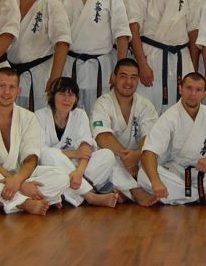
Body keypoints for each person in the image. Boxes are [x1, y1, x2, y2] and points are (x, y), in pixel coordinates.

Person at [0, 67, 70, 215]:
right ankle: (22, 202)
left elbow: (31, 159)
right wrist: (20, 185)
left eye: (12, 87)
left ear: (18, 91)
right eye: (2, 86)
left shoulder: (28, 118)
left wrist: (18, 180)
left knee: (62, 177)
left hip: (17, 178)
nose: (6, 92)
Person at [137, 73, 206, 206]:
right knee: (144, 175)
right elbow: (149, 151)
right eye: (189, 88)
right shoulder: (169, 118)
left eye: (198, 90)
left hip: (205, 174)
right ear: (180, 89)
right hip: (175, 173)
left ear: (204, 93)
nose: (193, 94)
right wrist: (156, 182)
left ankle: (185, 195)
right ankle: (203, 197)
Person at [35, 76, 133, 207]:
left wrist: (79, 172)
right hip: (54, 167)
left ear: (76, 98)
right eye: (62, 94)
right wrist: (74, 153)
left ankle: (69, 193)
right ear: (52, 96)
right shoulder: (39, 116)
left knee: (107, 155)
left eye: (71, 95)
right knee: (49, 154)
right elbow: (41, 152)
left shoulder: (80, 115)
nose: (66, 99)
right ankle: (90, 196)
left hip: (78, 169)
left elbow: (86, 147)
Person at [56, 0, 132, 116]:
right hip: (70, 66)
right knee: (70, 116)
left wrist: (119, 70)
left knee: (100, 116)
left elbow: (122, 34)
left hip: (101, 68)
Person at [128, 0, 199, 113]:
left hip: (181, 58)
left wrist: (194, 67)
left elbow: (194, 31)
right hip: (151, 57)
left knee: (182, 113)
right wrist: (142, 64)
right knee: (148, 111)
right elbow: (133, 28)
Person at [90, 58, 159, 206]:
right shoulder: (102, 103)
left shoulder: (145, 105)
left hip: (137, 159)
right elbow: (102, 137)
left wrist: (136, 155)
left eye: (133, 77)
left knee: (154, 161)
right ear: (114, 78)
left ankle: (121, 191)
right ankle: (134, 190)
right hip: (116, 159)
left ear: (138, 80)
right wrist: (127, 158)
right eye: (123, 76)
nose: (128, 82)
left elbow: (150, 137)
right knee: (107, 157)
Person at [9, 0, 71, 111]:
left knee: (37, 120)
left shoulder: (53, 5)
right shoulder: (9, 0)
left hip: (39, 77)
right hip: (10, 75)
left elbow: (62, 43)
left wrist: (55, 78)